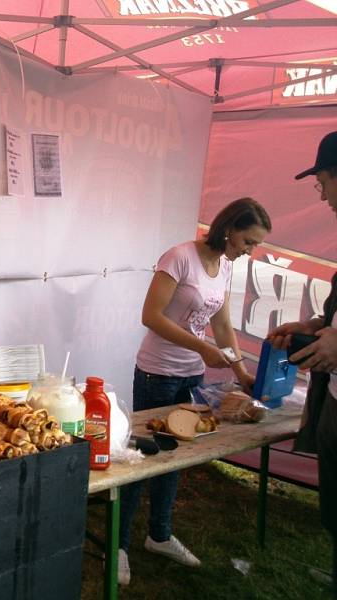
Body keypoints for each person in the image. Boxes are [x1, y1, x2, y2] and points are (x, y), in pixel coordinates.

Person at [118, 197, 272, 586]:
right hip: (157, 374)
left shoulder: (223, 267)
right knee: (144, 458)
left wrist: (242, 372)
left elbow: (223, 329)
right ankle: (118, 545)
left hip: (190, 377)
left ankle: (159, 534)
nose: (249, 250)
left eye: (255, 245)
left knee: (178, 456)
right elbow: (150, 316)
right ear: (229, 228)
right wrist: (202, 349)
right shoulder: (179, 257)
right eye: (248, 242)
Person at [268, 130, 337, 595]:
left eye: (323, 182)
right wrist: (311, 326)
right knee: (334, 507)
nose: (323, 194)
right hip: (334, 398)